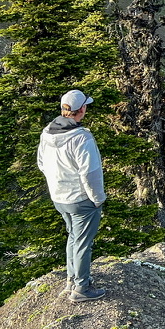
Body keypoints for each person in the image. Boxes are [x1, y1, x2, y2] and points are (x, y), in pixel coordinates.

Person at [37, 90, 108, 302]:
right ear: (82, 109)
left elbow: (41, 163)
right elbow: (90, 172)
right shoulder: (82, 137)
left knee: (73, 237)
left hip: (59, 198)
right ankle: (81, 288)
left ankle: (71, 279)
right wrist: (98, 198)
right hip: (81, 199)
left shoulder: (47, 133)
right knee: (83, 243)